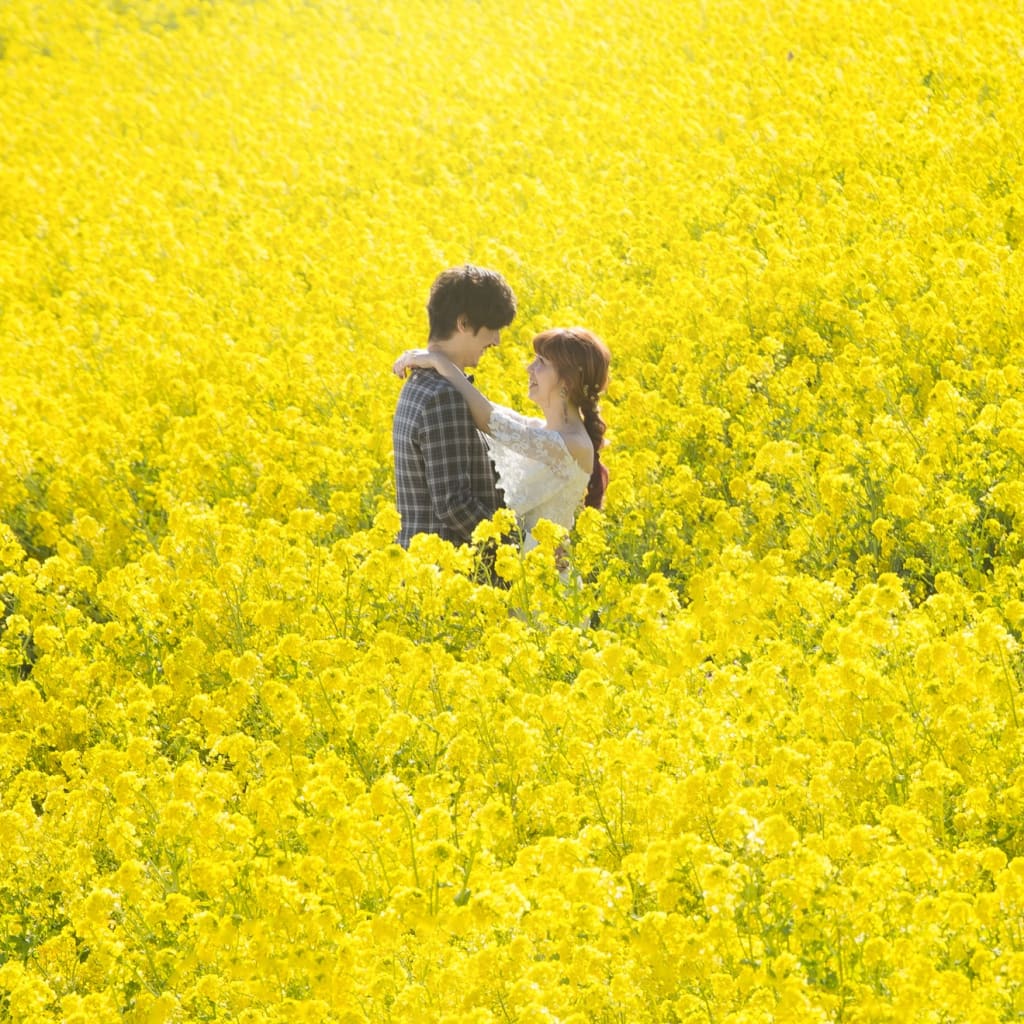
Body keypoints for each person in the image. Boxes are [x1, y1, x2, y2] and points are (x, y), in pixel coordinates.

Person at [393, 327, 610, 553]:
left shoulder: (574, 444)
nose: (529, 368)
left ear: (568, 381)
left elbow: (491, 420)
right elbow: (489, 410)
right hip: (525, 568)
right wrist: (435, 361)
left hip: (547, 573)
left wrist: (439, 361)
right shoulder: (540, 430)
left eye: (541, 362)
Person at [392, 264, 518, 548]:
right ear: (463, 323)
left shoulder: (420, 383)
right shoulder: (442, 396)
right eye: (492, 328)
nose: (496, 341)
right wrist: (518, 546)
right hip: (450, 576)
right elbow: (454, 504)